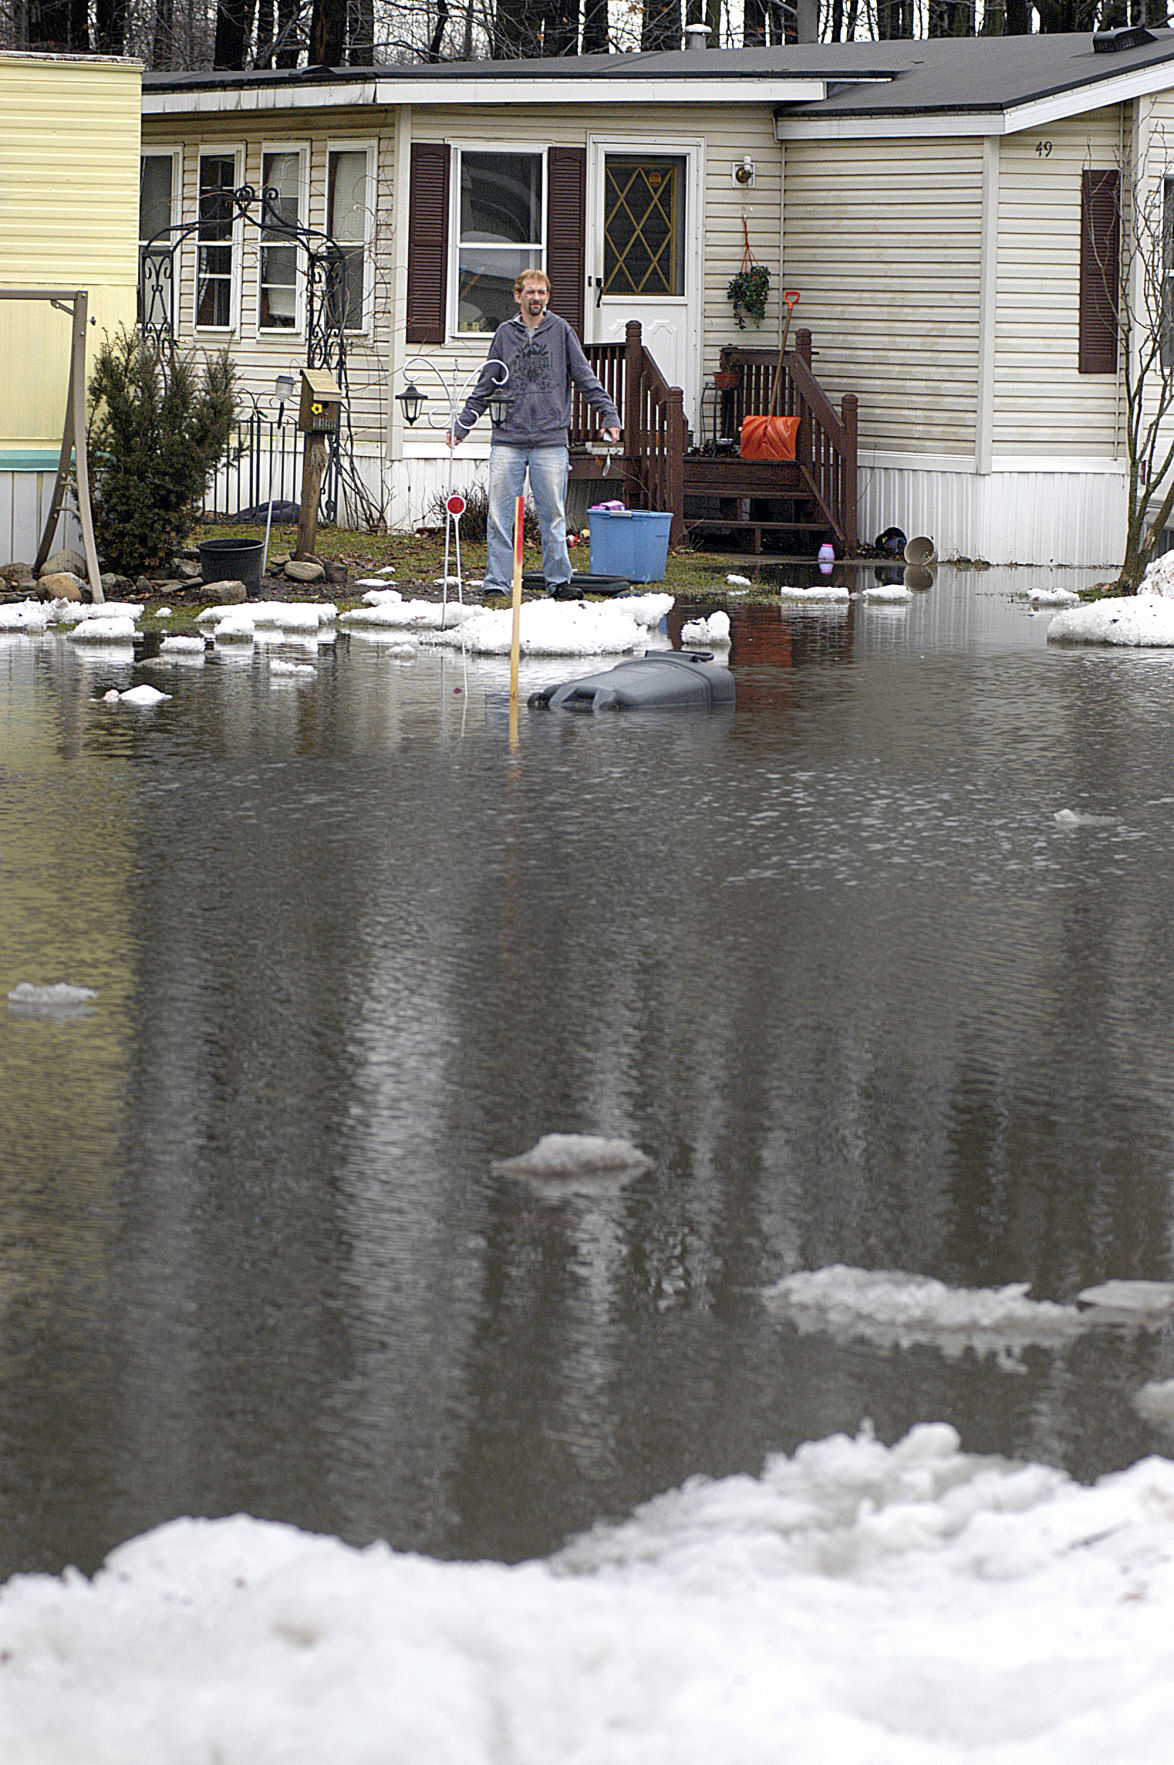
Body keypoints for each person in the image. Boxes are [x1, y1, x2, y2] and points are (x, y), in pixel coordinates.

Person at [447, 270, 621, 596]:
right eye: (530, 292)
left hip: (550, 441)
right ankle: (497, 584)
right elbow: (486, 383)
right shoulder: (504, 334)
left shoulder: (561, 331)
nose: (536, 298)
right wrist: (463, 425)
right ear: (518, 296)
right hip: (507, 441)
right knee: (499, 517)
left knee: (553, 516)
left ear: (547, 297)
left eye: (542, 292)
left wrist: (608, 413)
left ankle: (558, 583)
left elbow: (585, 377)